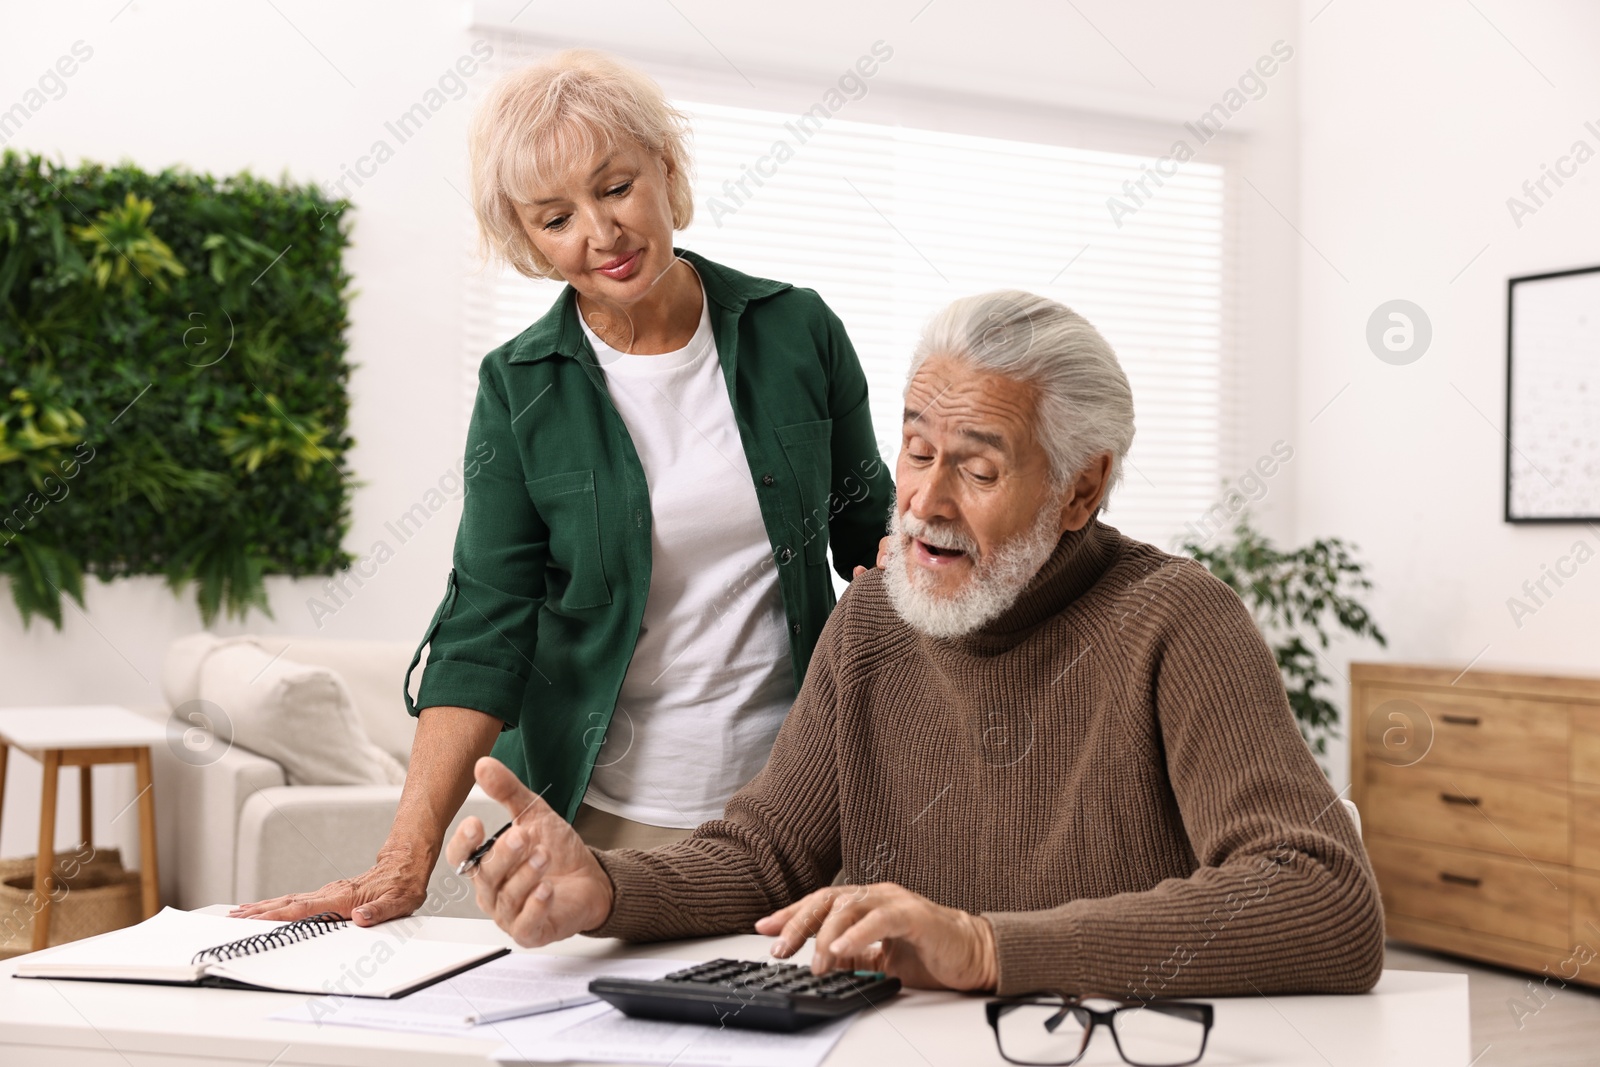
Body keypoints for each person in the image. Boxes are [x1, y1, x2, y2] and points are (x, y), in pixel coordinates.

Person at [441, 290, 1386, 998]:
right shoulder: (876, 617)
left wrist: (983, 947)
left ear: (1081, 489)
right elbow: (767, 852)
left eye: (977, 467)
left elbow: (1325, 898)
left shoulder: (1179, 622)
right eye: (917, 452)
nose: (927, 503)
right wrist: (606, 889)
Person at [233, 50, 893, 927]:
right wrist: (403, 860)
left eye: (616, 186)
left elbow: (874, 539)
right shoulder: (520, 385)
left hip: (799, 809)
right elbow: (485, 626)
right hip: (606, 816)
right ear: (527, 238)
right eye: (555, 217)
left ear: (667, 169)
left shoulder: (795, 330)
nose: (600, 232)